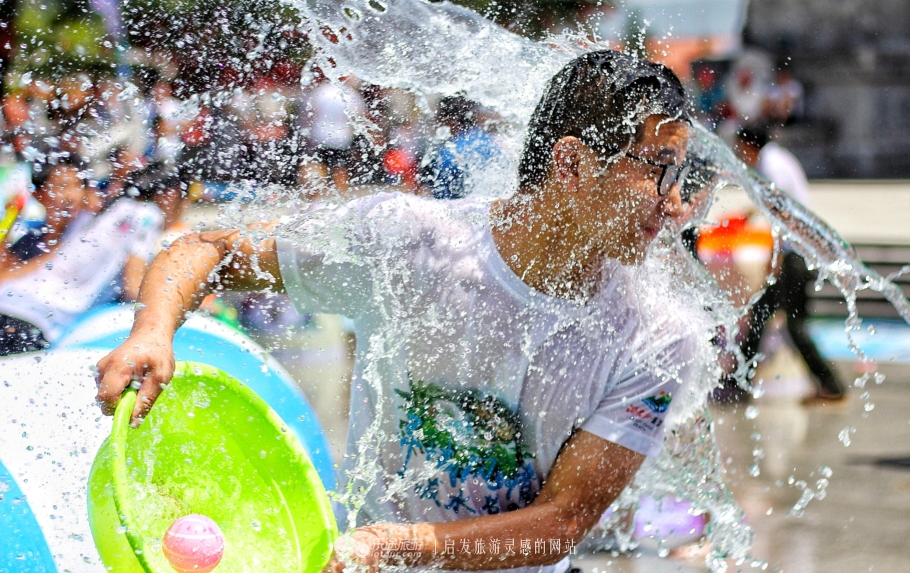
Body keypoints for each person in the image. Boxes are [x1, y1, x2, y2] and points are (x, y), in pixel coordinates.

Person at [95, 50, 699, 572]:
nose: (678, 205)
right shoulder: (410, 243)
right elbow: (205, 249)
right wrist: (151, 332)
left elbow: (563, 522)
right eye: (660, 172)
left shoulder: (656, 336)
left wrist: (396, 544)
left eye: (683, 176)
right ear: (571, 165)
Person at [0, 164, 169, 355]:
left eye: (76, 186)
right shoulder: (145, 215)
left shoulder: (92, 224)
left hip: (20, 314)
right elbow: (134, 286)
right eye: (62, 186)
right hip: (32, 321)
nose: (70, 196)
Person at [734, 127, 846, 404]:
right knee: (760, 312)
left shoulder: (772, 165)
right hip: (795, 252)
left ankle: (832, 385)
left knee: (796, 326)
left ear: (750, 145)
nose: (739, 155)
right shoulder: (774, 160)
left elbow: (783, 216)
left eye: (740, 148)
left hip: (794, 255)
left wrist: (776, 260)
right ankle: (740, 379)